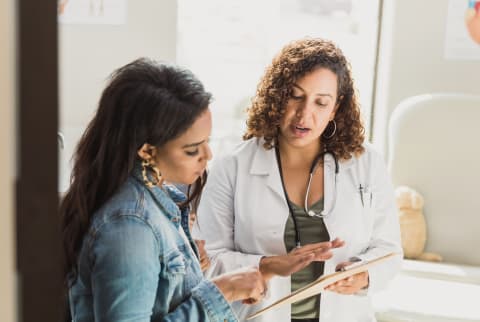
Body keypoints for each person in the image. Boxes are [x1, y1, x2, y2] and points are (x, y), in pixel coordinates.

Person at [193, 38, 402, 322]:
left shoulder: (367, 163)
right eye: (295, 96)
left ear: (336, 107)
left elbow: (389, 250)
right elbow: (207, 260)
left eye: (321, 102)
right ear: (278, 95)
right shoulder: (233, 166)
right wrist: (267, 265)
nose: (304, 114)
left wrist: (364, 275)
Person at [60, 58, 267, 322]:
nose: (208, 155)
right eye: (192, 150)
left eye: (207, 142)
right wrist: (221, 292)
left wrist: (192, 272)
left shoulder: (153, 198)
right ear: (146, 150)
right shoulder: (130, 225)